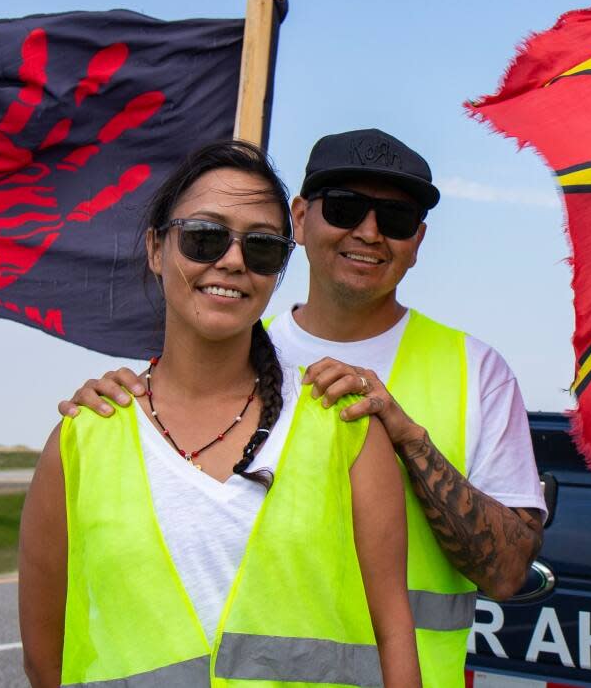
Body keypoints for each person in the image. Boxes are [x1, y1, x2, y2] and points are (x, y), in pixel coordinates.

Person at [64, 128, 547, 686]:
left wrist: (410, 440)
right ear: (298, 218)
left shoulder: (477, 372)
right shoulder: (230, 339)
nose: (368, 232)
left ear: (418, 240)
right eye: (344, 208)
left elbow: (509, 572)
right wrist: (110, 414)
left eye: (396, 219)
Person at [21, 140, 420, 687]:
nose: (232, 261)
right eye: (205, 237)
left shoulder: (344, 429)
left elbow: (394, 637)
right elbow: (46, 662)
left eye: (261, 247)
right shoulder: (80, 443)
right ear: (157, 249)